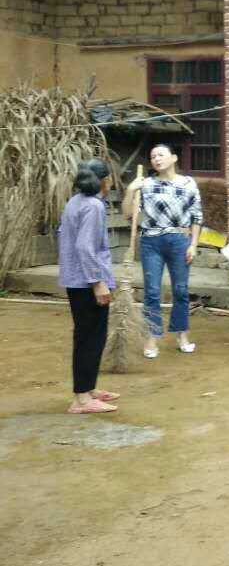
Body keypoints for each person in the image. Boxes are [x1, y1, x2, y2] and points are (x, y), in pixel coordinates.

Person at [124, 143, 202, 358]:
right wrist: (130, 190)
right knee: (151, 291)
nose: (156, 159)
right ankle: (152, 337)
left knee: (181, 290)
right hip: (151, 241)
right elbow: (128, 214)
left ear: (174, 158)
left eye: (161, 155)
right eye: (153, 156)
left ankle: (182, 334)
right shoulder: (146, 184)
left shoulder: (188, 183)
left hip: (179, 240)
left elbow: (197, 216)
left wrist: (194, 244)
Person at [58, 160, 120, 414]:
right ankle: (82, 399)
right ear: (105, 181)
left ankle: (88, 389)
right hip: (87, 282)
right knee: (90, 338)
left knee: (89, 336)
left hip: (76, 278)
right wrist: (98, 282)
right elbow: (85, 247)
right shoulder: (93, 206)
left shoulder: (75, 201)